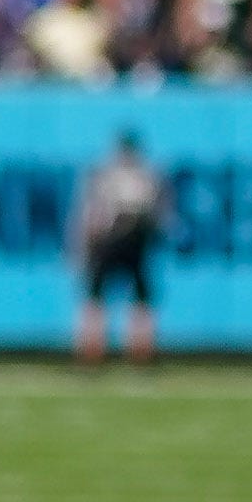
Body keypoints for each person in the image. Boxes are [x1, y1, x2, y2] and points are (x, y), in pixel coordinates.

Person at [70, 130, 165, 368]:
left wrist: (80, 245)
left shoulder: (106, 173)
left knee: (97, 297)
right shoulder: (147, 175)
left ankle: (92, 354)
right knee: (139, 298)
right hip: (134, 238)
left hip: (109, 239)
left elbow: (89, 215)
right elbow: (159, 215)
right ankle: (139, 355)